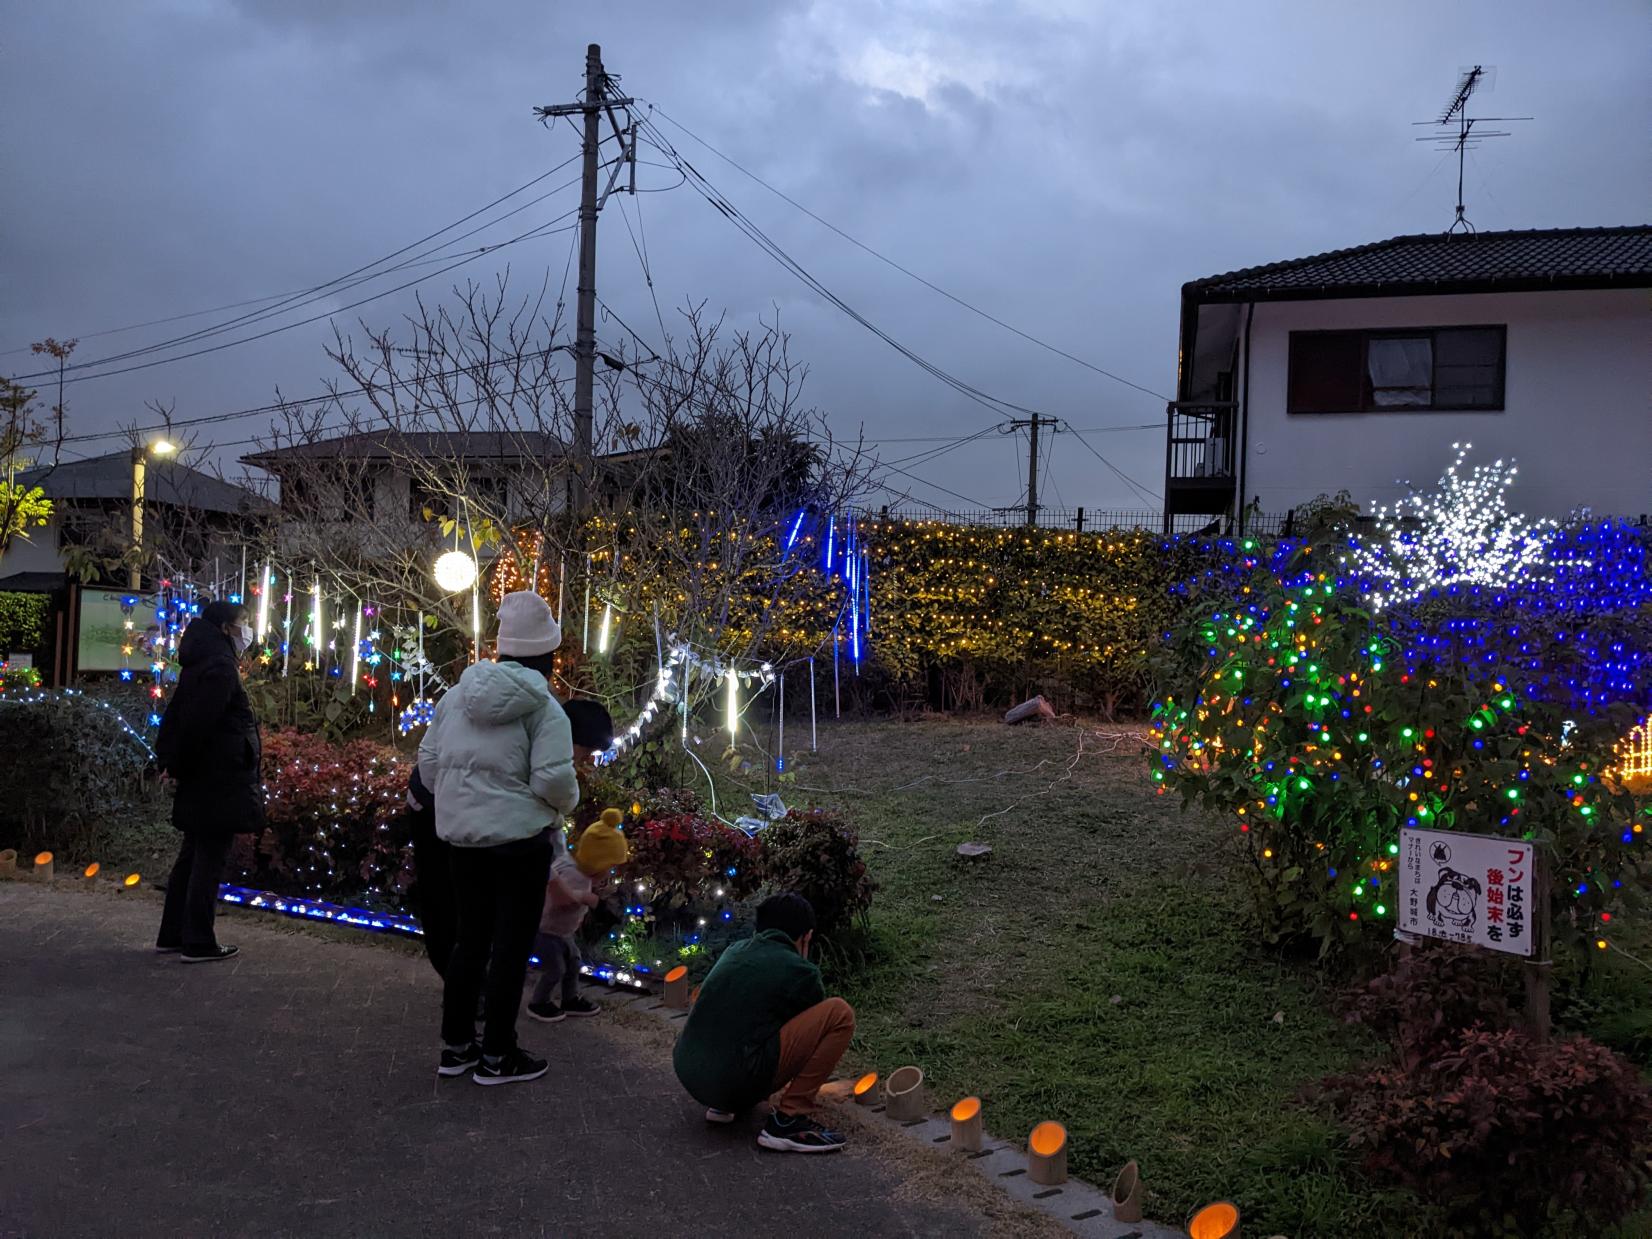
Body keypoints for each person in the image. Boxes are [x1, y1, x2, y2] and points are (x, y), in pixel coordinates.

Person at [419, 590, 579, 1086]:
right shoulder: (545, 710)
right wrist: (560, 808)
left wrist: (461, 801)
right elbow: (553, 781)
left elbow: (427, 765)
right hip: (520, 845)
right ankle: (498, 1056)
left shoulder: (455, 696)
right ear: (547, 656)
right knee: (510, 946)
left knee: (470, 941)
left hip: (463, 842)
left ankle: (457, 1048)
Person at [673, 893, 855, 1153]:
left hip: (689, 1073)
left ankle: (724, 1104)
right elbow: (805, 1031)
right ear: (806, 937)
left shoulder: (733, 950)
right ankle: (788, 1119)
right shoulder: (800, 970)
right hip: (733, 1080)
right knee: (839, 1013)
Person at [154, 600, 263, 964]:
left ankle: (173, 933)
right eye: (243, 623)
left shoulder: (200, 661)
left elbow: (178, 714)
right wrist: (180, 763)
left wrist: (172, 761)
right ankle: (198, 939)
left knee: (192, 854)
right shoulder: (220, 667)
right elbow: (200, 722)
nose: (247, 630)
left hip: (204, 774)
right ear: (224, 628)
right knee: (209, 858)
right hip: (218, 776)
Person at [528, 807, 628, 1023]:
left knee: (574, 961)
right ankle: (538, 1002)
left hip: (562, 931)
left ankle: (570, 998)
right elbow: (559, 899)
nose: (609, 873)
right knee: (555, 968)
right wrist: (588, 899)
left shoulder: (574, 866)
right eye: (609, 867)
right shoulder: (574, 875)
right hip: (545, 930)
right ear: (598, 861)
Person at [402, 764, 456, 981]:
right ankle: (459, 980)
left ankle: (462, 980)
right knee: (442, 897)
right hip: (434, 804)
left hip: (454, 804)